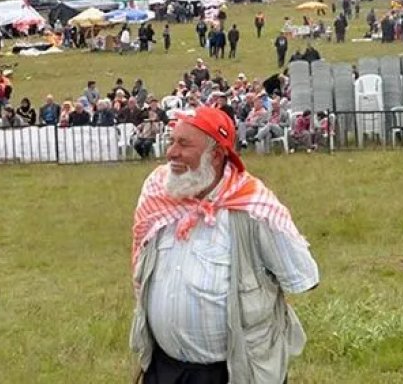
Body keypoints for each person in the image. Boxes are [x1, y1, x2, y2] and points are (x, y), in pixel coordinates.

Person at [130, 107, 319, 383]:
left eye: (183, 144)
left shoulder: (254, 209)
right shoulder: (160, 194)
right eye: (171, 141)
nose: (171, 152)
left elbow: (303, 277)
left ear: (215, 155)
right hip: (164, 369)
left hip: (233, 373)